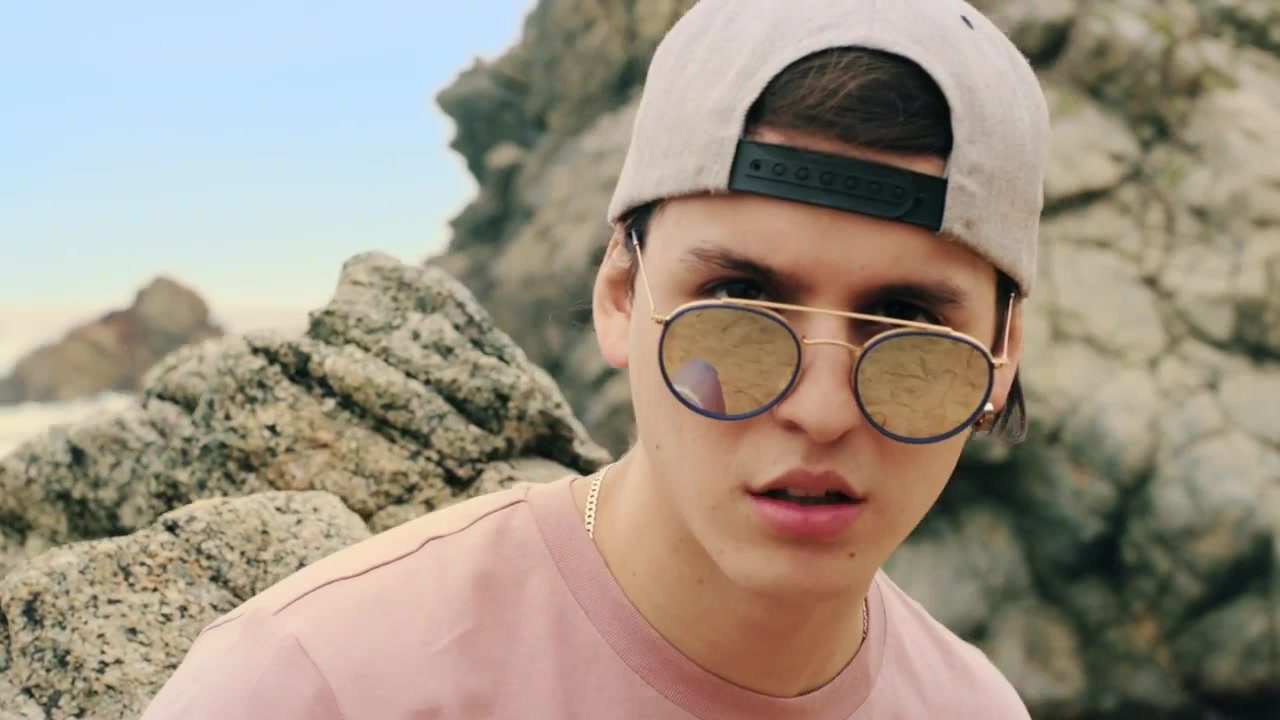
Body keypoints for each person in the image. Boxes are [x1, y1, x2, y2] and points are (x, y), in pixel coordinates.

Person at [140, 0, 1049, 717]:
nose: (819, 409)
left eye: (906, 318)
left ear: (1001, 352)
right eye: (738, 300)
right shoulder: (315, 686)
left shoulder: (973, 708)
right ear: (620, 292)